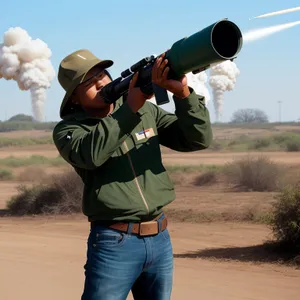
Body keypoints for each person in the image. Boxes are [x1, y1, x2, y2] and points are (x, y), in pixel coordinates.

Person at [52, 49, 213, 300]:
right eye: (88, 83)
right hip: (113, 242)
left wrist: (183, 96)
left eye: (102, 75)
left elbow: (196, 139)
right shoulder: (69, 130)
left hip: (160, 238)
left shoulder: (145, 112)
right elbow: (91, 154)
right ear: (74, 98)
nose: (100, 83)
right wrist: (130, 108)